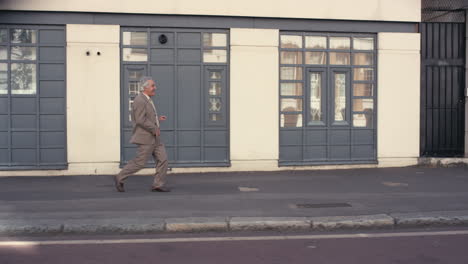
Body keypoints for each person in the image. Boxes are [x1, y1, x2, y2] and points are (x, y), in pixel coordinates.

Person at [114, 76, 170, 192]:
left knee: (163, 159)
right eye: (153, 86)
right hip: (146, 137)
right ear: (145, 88)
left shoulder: (147, 99)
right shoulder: (139, 100)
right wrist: (154, 127)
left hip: (155, 138)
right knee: (140, 162)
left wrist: (157, 119)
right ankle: (120, 177)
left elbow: (147, 117)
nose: (155, 88)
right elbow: (140, 119)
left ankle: (158, 184)